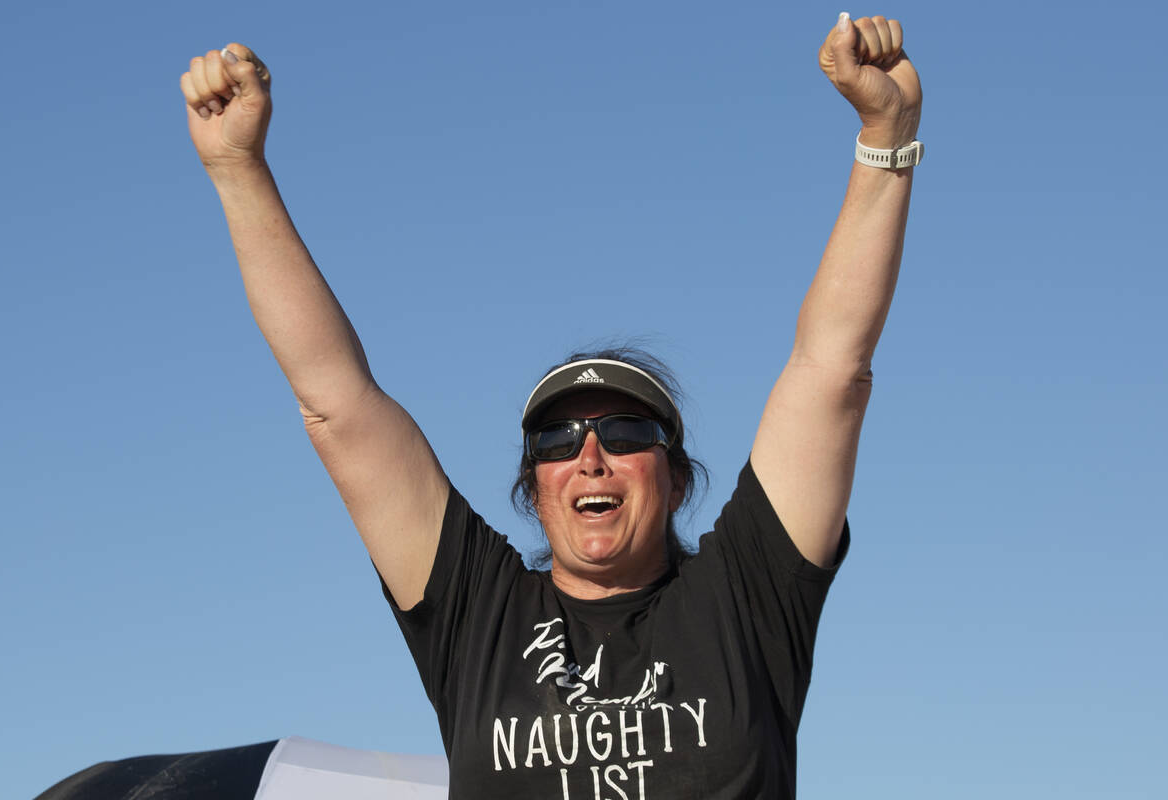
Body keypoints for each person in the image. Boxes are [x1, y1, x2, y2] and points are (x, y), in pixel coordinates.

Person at [172, 12, 921, 798]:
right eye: (557, 443)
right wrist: (237, 169)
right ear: (534, 489)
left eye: (623, 431)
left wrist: (886, 136)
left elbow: (832, 369)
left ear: (675, 477)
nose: (588, 455)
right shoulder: (477, 611)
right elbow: (337, 405)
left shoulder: (745, 598)